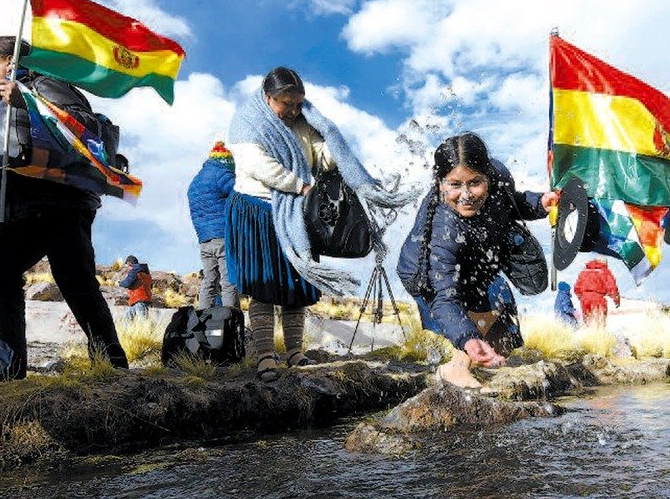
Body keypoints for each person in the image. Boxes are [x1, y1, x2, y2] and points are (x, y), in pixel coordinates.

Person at [226, 66, 411, 382]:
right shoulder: (248, 123)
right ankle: (265, 356)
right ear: (269, 98)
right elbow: (257, 165)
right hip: (260, 211)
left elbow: (320, 156)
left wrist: (339, 157)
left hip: (297, 214)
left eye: (299, 104)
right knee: (266, 287)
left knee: (296, 286)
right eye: (287, 103)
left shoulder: (302, 123)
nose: (294, 110)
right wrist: (300, 185)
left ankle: (295, 353)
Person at [0, 35, 128, 381]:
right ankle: (6, 365)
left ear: (9, 61)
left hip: (61, 201)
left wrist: (26, 100)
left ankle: (111, 365)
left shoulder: (45, 84)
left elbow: (81, 126)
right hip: (19, 206)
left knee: (75, 280)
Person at [397, 133, 557, 393]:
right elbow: (445, 297)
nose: (465, 195)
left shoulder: (499, 181)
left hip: (473, 255)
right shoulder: (443, 229)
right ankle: (454, 369)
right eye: (455, 185)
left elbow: (510, 203)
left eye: (475, 183)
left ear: (488, 178)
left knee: (500, 314)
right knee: (470, 318)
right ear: (440, 184)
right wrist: (468, 339)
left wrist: (540, 203)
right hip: (425, 274)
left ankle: (486, 358)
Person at [187, 140, 239, 311]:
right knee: (228, 279)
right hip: (223, 235)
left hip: (204, 239)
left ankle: (203, 320)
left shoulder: (195, 181)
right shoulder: (221, 174)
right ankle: (231, 320)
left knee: (209, 279)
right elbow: (240, 193)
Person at [573, 259, 620, 327]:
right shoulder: (604, 271)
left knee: (588, 319)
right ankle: (598, 335)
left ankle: (589, 334)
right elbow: (612, 287)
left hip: (585, 299)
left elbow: (577, 287)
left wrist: (580, 297)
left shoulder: (584, 271)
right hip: (598, 298)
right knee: (599, 320)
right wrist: (616, 300)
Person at [119, 255, 153, 320]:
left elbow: (127, 283)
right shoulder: (147, 274)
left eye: (127, 266)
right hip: (139, 300)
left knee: (142, 321)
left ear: (129, 263)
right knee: (126, 319)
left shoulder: (134, 271)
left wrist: (120, 283)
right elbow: (150, 286)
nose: (127, 268)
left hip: (139, 300)